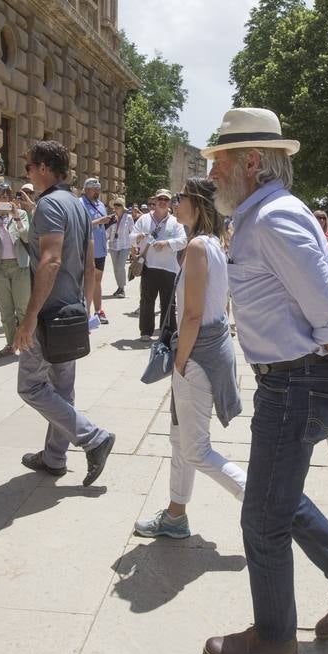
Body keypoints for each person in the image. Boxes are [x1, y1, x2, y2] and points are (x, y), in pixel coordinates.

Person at [201, 107, 328, 654]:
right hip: (290, 383)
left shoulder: (273, 218)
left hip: (295, 385)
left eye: (220, 163)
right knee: (274, 497)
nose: (211, 176)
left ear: (252, 162)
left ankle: (275, 636)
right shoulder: (265, 215)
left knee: (262, 517)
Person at [134, 177, 246, 540]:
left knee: (195, 449)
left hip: (197, 354)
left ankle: (259, 500)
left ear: (196, 204)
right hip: (203, 351)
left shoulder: (199, 246)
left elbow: (193, 314)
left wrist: (180, 362)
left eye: (180, 196)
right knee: (179, 439)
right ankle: (175, 515)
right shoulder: (211, 243)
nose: (175, 201)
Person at [14, 140, 116, 486]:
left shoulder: (48, 206)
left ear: (44, 168)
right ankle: (55, 457)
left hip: (48, 314)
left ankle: (92, 437)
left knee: (30, 386)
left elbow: (51, 260)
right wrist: (85, 309)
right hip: (70, 311)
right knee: (62, 388)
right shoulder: (77, 205)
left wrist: (29, 317)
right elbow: (90, 265)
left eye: (29, 166)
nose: (27, 171)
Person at [0, 181, 32, 357]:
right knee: (6, 310)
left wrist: (16, 217)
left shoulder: (22, 214)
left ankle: (28, 344)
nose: (3, 199)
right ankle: (10, 344)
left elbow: (26, 237)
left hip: (20, 266)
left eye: (6, 196)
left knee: (23, 308)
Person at [133, 189, 186, 342]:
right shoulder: (144, 219)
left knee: (168, 303)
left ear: (169, 202)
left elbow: (183, 241)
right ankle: (146, 332)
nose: (163, 201)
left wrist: (167, 243)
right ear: (155, 200)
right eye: (160, 199)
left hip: (169, 268)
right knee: (147, 300)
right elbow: (131, 237)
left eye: (166, 199)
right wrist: (137, 237)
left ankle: (167, 334)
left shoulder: (175, 222)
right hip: (149, 266)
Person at [80, 177, 113, 324]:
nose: (97, 192)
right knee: (86, 280)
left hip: (100, 248)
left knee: (97, 280)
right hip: (86, 248)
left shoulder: (100, 204)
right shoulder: (80, 204)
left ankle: (98, 311)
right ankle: (83, 312)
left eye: (98, 189)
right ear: (86, 189)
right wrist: (99, 221)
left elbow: (102, 225)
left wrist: (108, 221)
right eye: (94, 189)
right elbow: (80, 225)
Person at [107, 199, 135, 298]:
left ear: (123, 207)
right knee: (116, 269)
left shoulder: (129, 217)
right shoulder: (111, 218)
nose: (116, 207)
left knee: (120, 267)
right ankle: (119, 287)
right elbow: (108, 231)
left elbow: (133, 232)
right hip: (113, 245)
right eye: (115, 205)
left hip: (124, 246)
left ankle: (122, 289)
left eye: (118, 205)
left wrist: (134, 248)